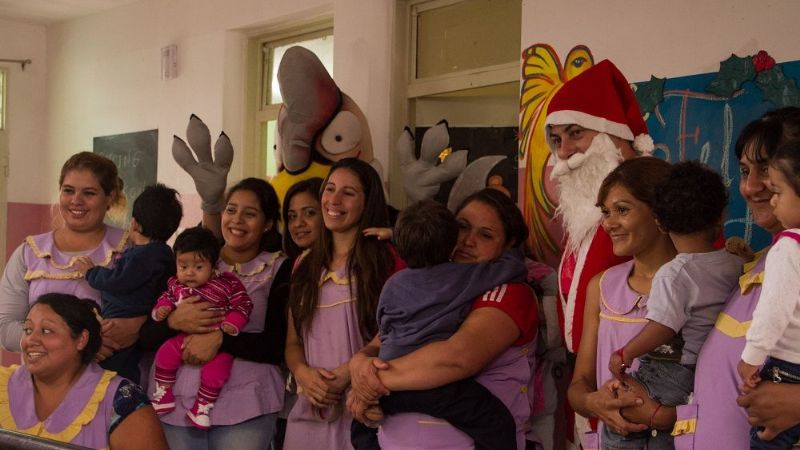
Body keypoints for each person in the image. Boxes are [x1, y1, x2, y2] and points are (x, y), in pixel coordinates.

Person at [605, 108, 800, 450]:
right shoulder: (752, 265)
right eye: (744, 170)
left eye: (766, 169)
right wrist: (660, 415)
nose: (751, 186)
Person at [348, 188, 539, 450]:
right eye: (462, 226)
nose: (468, 241)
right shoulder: (429, 281)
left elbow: (455, 359)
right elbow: (379, 341)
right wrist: (359, 364)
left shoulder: (508, 292)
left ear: (508, 245)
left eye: (485, 235)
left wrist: (371, 381)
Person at [544, 60, 654, 449]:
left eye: (576, 133)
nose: (566, 152)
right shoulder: (582, 215)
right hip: (589, 378)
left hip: (646, 386)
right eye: (557, 139)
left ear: (614, 137)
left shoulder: (661, 208)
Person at [604, 161, 742, 449]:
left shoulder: (675, 273)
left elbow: (664, 325)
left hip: (671, 367)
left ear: (660, 223)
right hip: (700, 373)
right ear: (721, 216)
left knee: (622, 419)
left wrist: (626, 351)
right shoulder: (734, 264)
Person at [151, 178, 290, 450]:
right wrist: (173, 321)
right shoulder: (191, 259)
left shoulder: (279, 269)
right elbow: (149, 329)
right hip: (176, 402)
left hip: (246, 406)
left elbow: (278, 345)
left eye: (250, 214)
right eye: (230, 210)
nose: (237, 220)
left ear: (269, 223)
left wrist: (220, 340)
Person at [283, 158, 402, 450]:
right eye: (330, 189)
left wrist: (348, 372)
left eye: (348, 193)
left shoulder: (388, 259)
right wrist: (303, 374)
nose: (333, 200)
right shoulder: (304, 263)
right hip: (310, 408)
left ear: (367, 201)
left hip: (365, 408)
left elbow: (397, 331)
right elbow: (292, 342)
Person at [566, 157, 675, 449]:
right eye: (606, 212)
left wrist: (665, 415)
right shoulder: (601, 286)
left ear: (659, 211)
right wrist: (594, 402)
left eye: (622, 210)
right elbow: (579, 385)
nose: (609, 223)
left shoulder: (694, 286)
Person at [0, 152, 143, 361]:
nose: (76, 201)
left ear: (109, 196)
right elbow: (4, 326)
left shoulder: (130, 248)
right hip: (40, 384)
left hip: (109, 379)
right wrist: (77, 345)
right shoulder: (30, 252)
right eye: (68, 191)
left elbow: (159, 309)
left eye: (89, 193)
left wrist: (136, 325)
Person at [0, 293, 168, 450]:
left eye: (46, 331)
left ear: (81, 339)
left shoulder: (122, 400)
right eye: (28, 330)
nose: (30, 340)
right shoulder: (2, 383)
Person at [76, 183, 183, 383]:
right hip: (142, 316)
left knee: (113, 367)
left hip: (123, 314)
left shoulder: (142, 256)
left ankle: (125, 394)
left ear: (134, 224)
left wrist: (91, 272)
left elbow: (118, 281)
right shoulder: (165, 255)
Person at [150, 226, 253, 429]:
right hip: (184, 338)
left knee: (217, 371)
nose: (189, 273)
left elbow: (243, 304)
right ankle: (164, 393)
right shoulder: (174, 284)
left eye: (198, 267)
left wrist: (232, 323)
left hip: (217, 338)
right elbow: (166, 299)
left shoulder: (227, 284)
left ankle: (202, 406)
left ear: (213, 266)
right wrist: (162, 310)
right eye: (183, 266)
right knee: (164, 354)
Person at [737, 139, 800, 450]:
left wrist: (751, 358)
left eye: (777, 192)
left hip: (788, 371)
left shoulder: (788, 246)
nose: (772, 202)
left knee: (768, 441)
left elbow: (773, 311)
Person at [282, 177, 323, 259]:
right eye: (292, 216)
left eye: (309, 213)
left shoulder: (343, 266)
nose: (298, 224)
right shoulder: (299, 261)